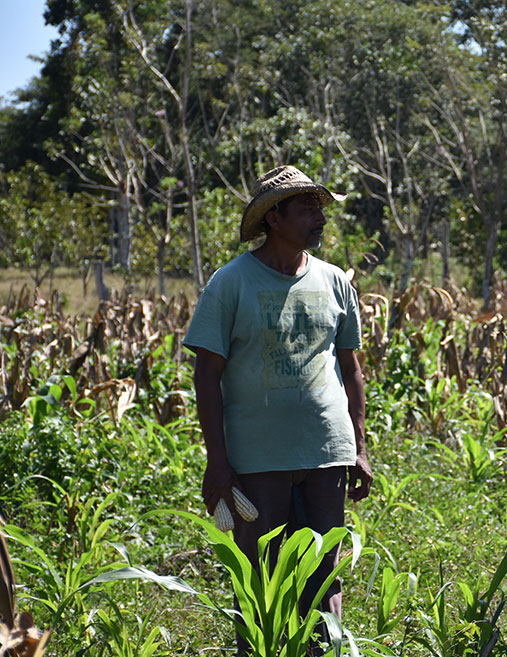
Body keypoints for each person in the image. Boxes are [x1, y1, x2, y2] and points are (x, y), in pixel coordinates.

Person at [183, 165, 372, 653]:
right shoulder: (231, 283)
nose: (319, 217)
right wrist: (217, 462)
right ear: (273, 218)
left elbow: (351, 368)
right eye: (306, 207)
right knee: (260, 579)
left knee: (323, 575)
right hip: (257, 460)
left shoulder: (334, 281)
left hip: (326, 451)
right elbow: (207, 373)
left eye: (320, 207)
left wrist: (360, 447)